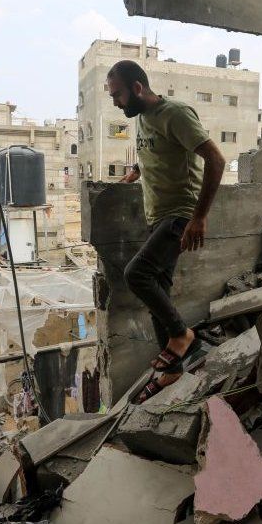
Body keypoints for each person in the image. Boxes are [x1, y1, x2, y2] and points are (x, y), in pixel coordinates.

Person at [107, 60, 227, 402]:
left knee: (138, 275)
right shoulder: (143, 119)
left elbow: (215, 160)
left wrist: (199, 217)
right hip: (157, 217)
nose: (116, 102)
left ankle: (182, 335)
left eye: (118, 95)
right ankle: (172, 371)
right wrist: (133, 173)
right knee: (157, 289)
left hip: (180, 215)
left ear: (138, 88)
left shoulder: (175, 113)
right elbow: (154, 153)